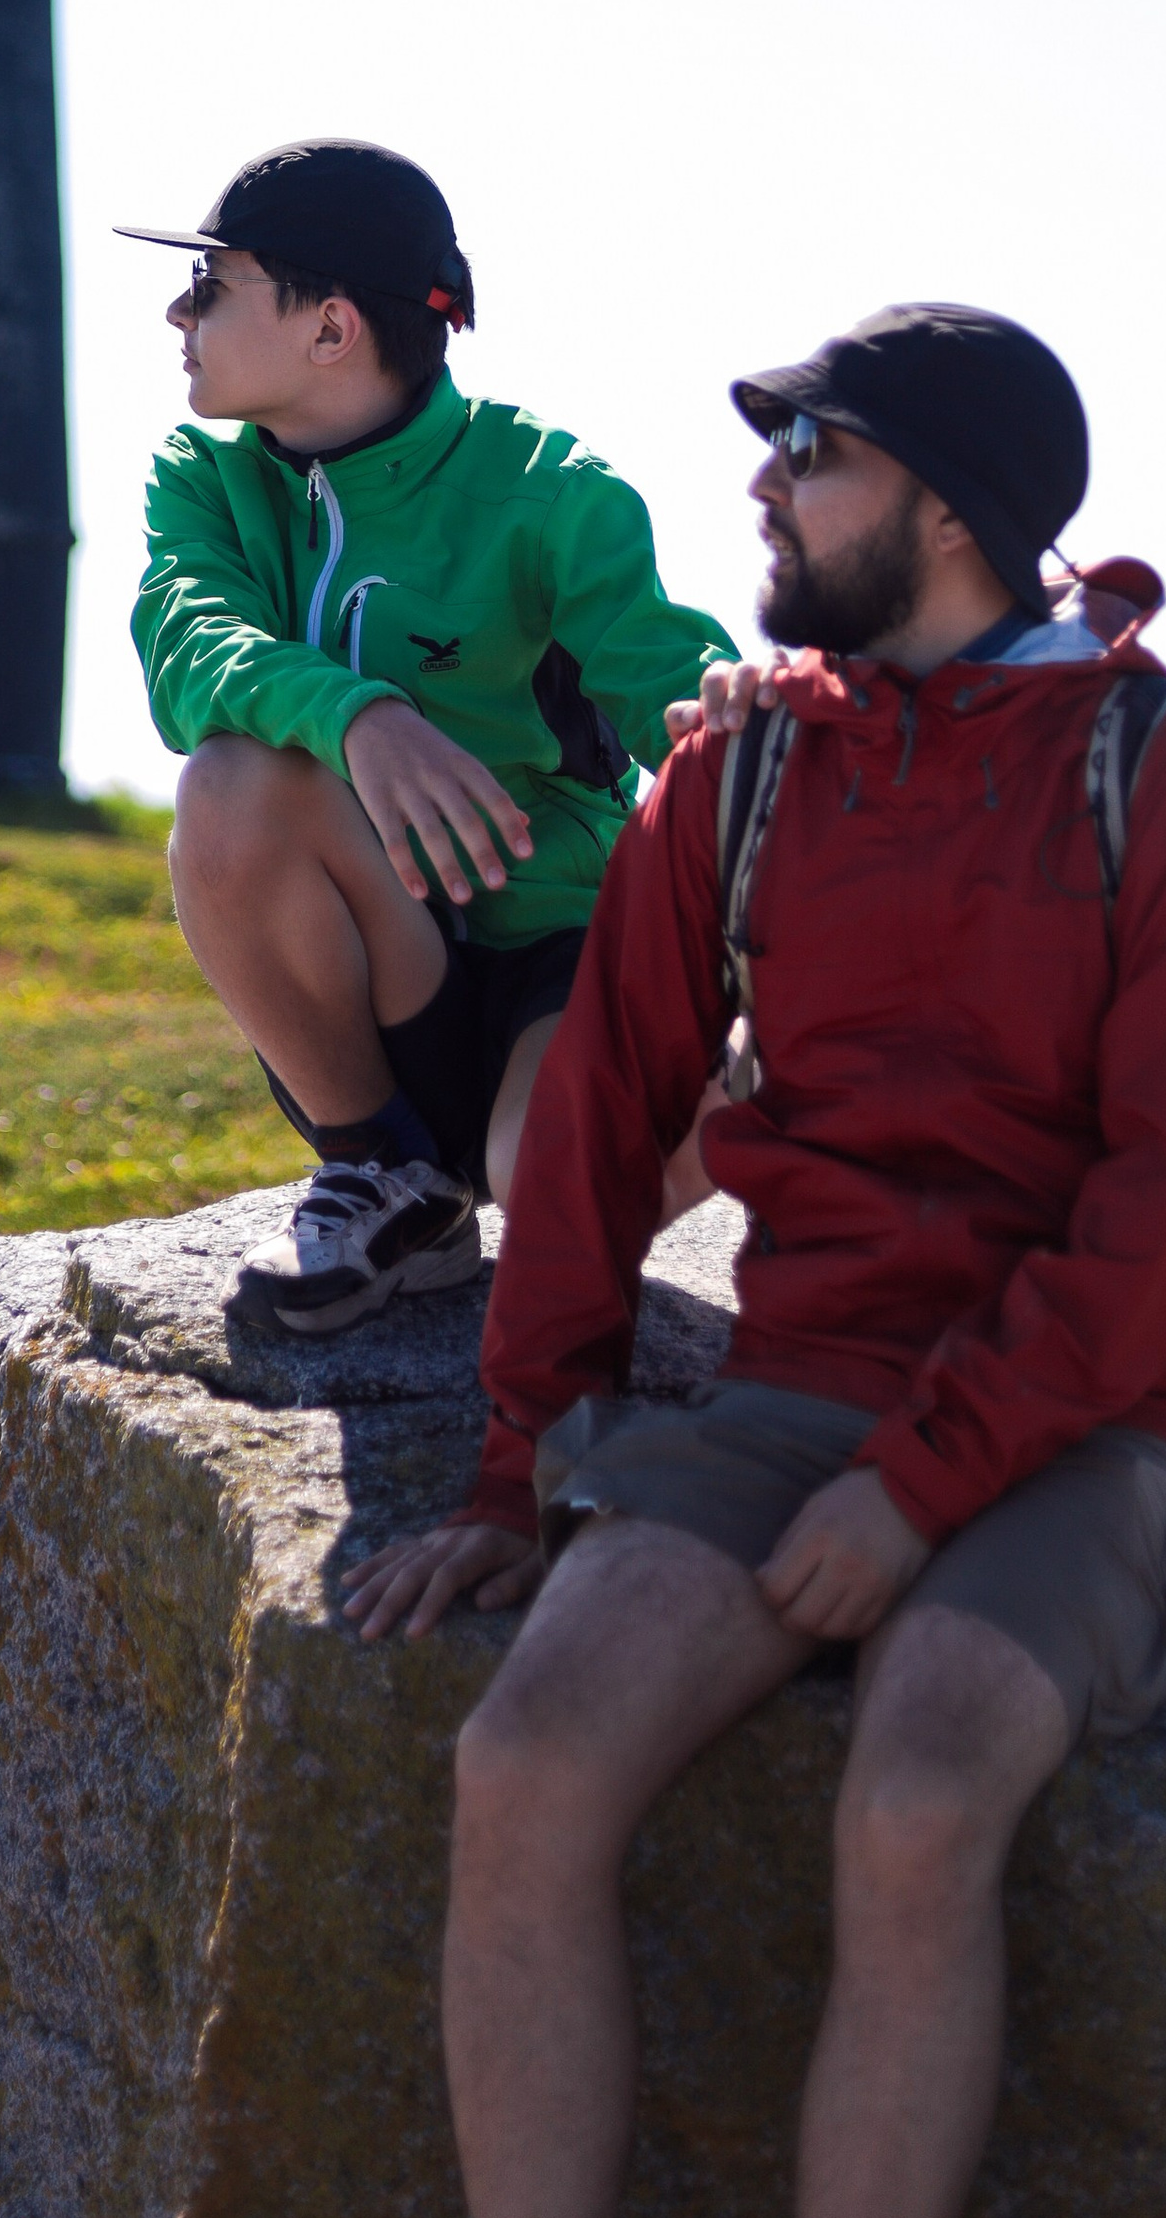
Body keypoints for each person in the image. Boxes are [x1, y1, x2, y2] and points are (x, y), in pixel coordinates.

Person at [342, 300, 1166, 2218]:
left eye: (813, 452)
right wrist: (524, 1470)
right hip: (805, 1382)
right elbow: (597, 1129)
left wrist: (919, 1491)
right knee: (524, 1761)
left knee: (921, 1795)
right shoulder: (749, 766)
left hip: (1108, 1415)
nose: (764, 488)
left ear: (949, 511)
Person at [123, 138, 735, 1335]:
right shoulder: (202, 477)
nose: (177, 313)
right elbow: (187, 645)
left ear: (331, 328)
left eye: (210, 283)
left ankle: (749, 1078)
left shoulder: (553, 492)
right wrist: (362, 717)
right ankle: (384, 1173)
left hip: (563, 950)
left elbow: (677, 697)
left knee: (547, 1187)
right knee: (232, 779)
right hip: (383, 973)